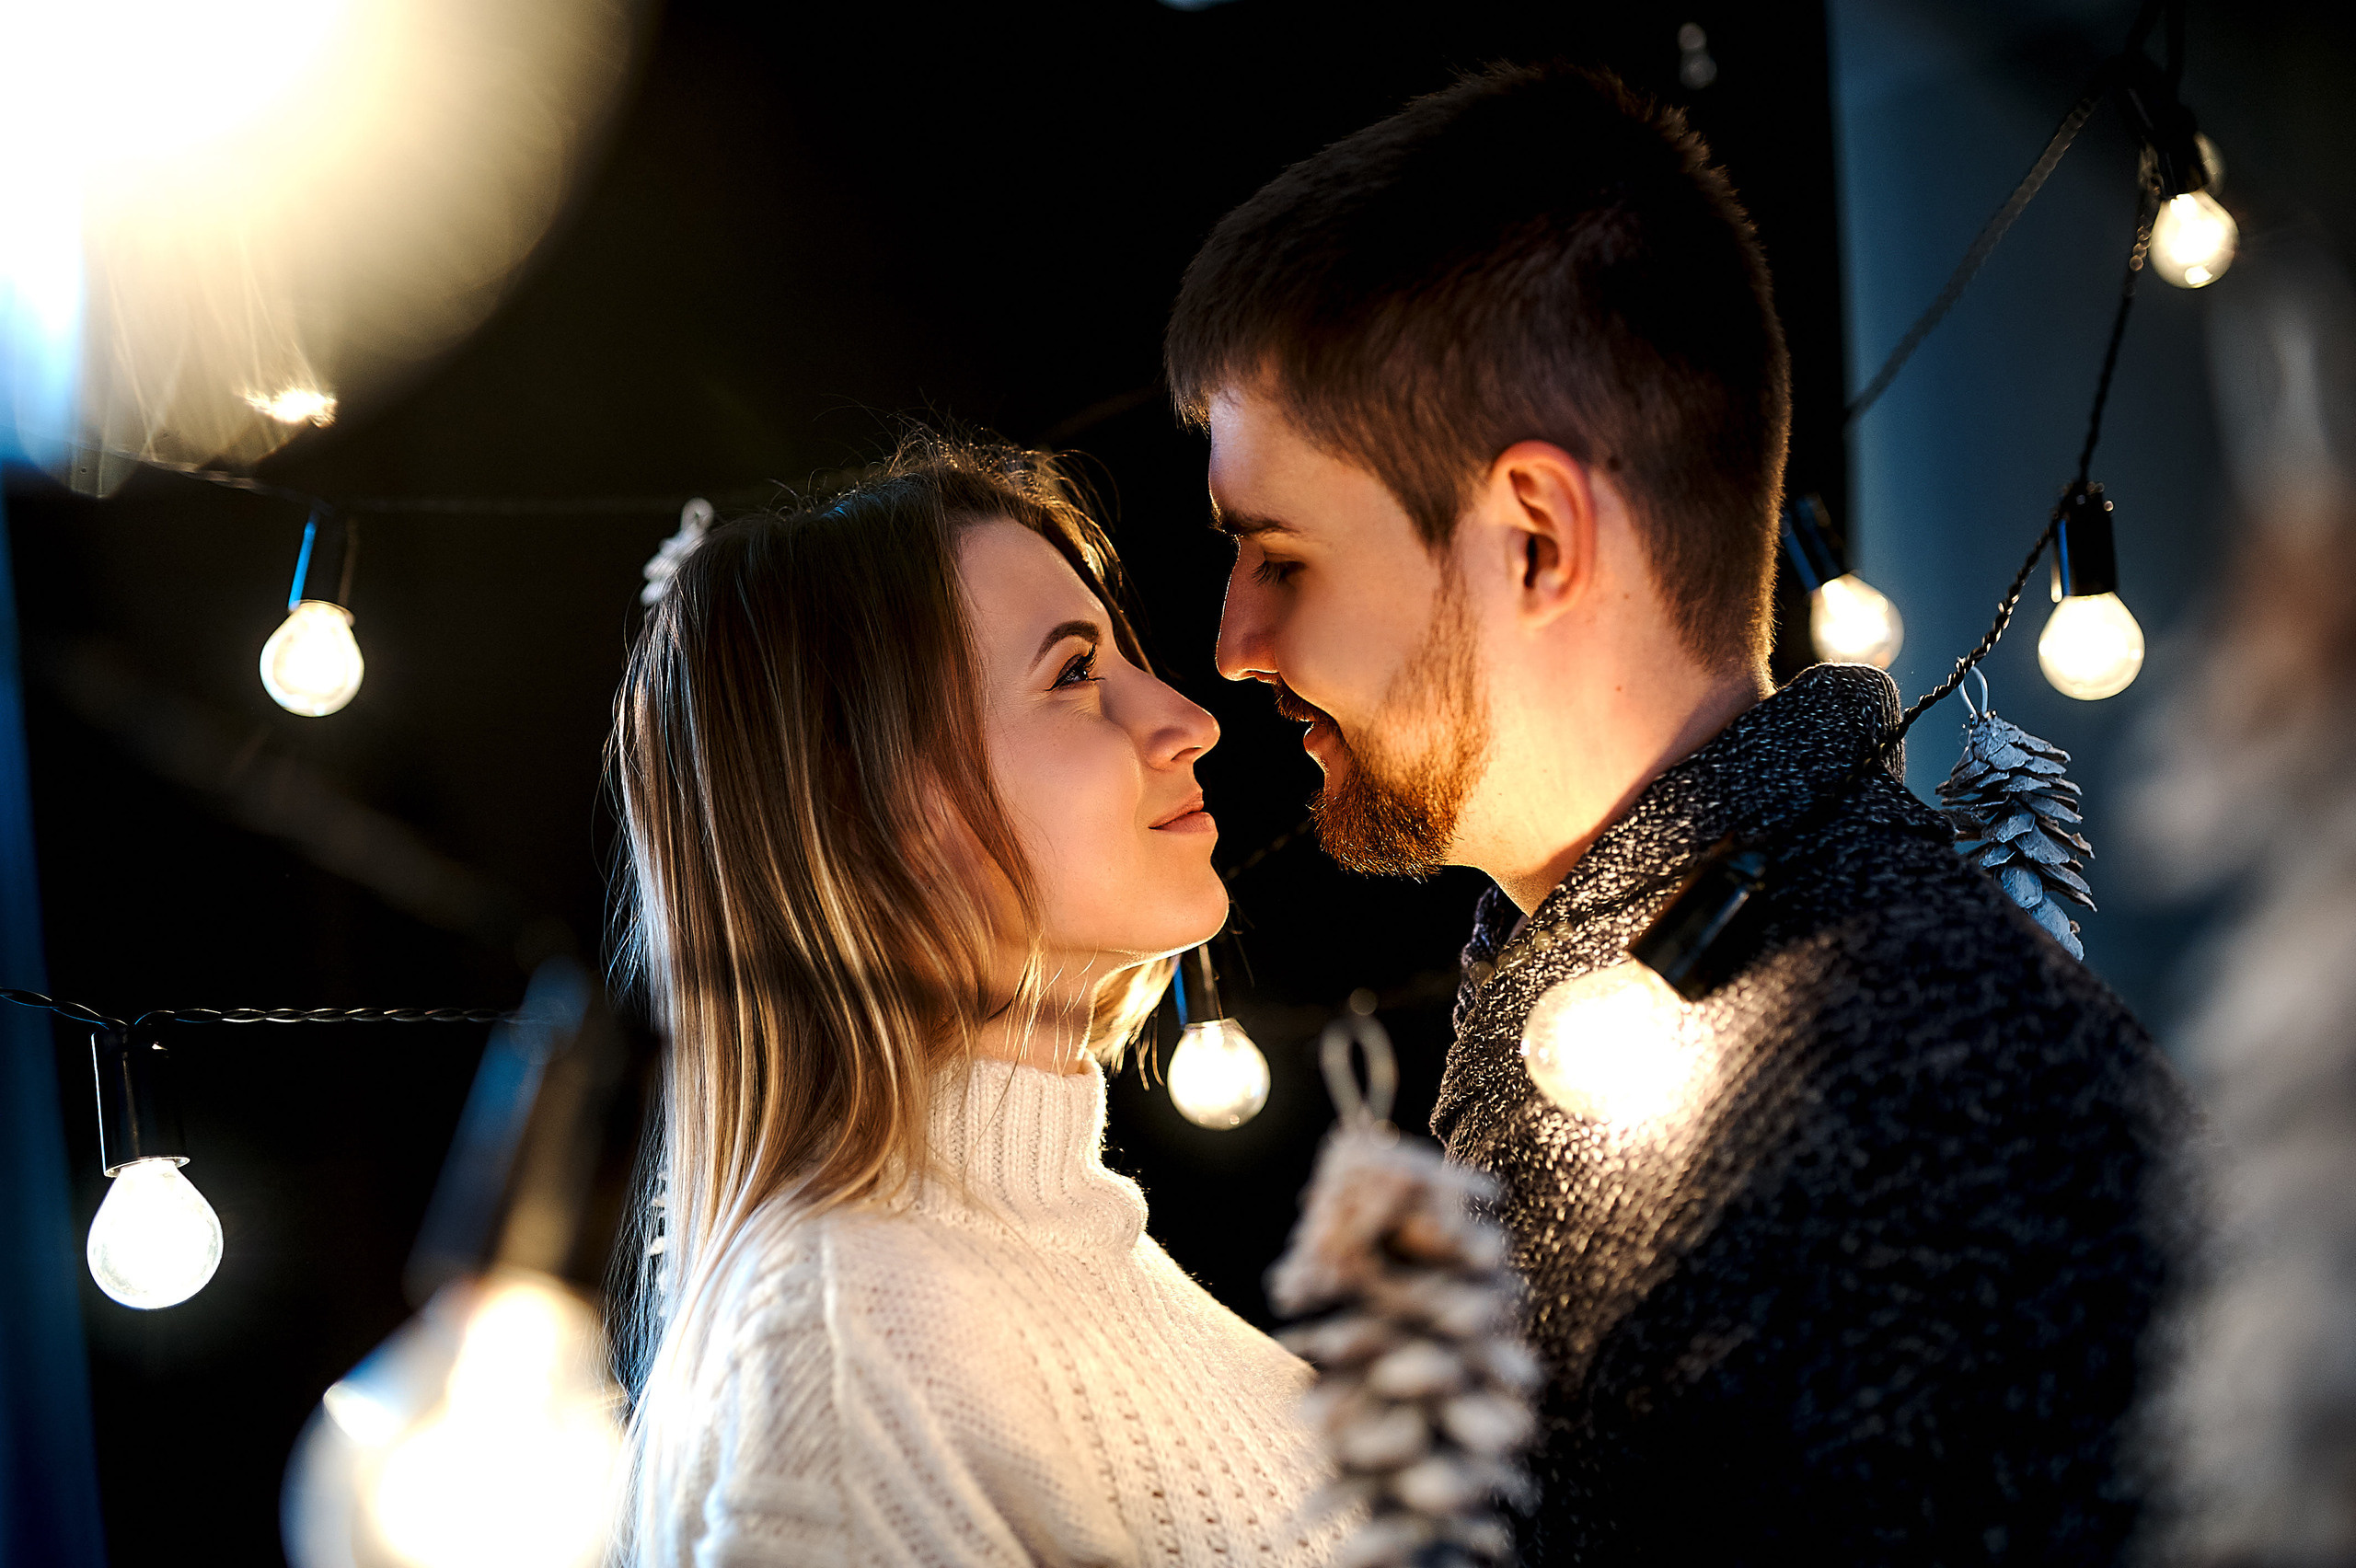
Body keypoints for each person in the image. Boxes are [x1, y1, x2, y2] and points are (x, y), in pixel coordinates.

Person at [1166, 63, 2189, 1563]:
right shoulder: (1608, 1021)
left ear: (1534, 536)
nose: (1234, 644)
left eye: (1281, 555)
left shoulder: (1934, 1112)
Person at [611, 438, 1345, 1566]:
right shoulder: (845, 1353)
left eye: (1122, 656)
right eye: (1073, 674)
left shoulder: (1077, 1278)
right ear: (863, 805)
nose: (1186, 719)